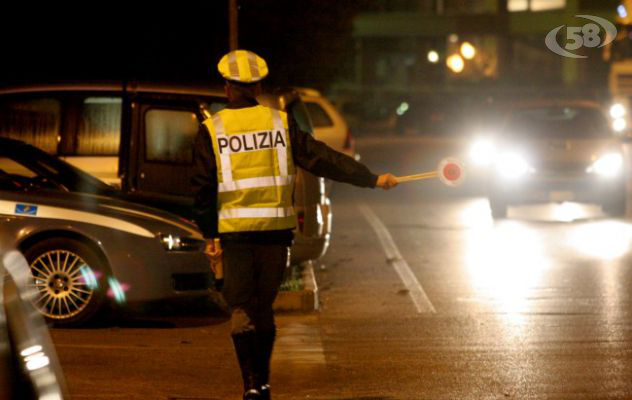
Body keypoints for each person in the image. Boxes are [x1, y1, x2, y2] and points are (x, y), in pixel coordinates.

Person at [192, 49, 398, 400]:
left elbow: (201, 188)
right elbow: (322, 158)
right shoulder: (281, 122)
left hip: (235, 236)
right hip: (277, 235)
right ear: (258, 87)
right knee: (264, 308)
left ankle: (251, 386)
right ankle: (264, 382)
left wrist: (209, 235)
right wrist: (371, 179)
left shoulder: (212, 130)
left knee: (242, 309)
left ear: (227, 87)